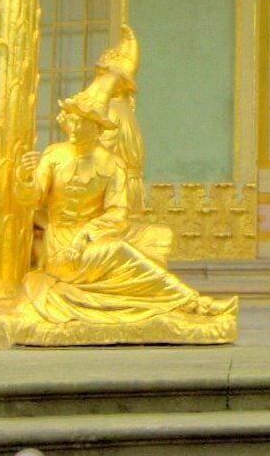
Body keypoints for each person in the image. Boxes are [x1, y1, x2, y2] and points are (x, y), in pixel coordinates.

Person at [13, 82, 235, 344]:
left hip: (89, 238)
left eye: (81, 122)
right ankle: (190, 301)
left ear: (96, 127)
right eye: (72, 121)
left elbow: (117, 214)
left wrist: (86, 234)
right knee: (119, 250)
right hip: (62, 247)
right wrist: (25, 176)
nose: (73, 128)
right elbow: (33, 197)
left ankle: (148, 298)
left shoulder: (111, 164)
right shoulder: (53, 156)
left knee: (157, 236)